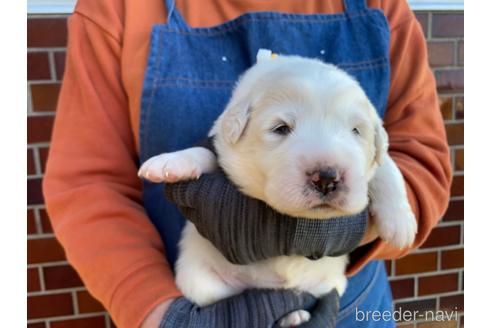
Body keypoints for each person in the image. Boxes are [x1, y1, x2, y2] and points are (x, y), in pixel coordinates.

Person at [43, 0, 452, 327]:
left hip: (345, 304)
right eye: (282, 128)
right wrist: (160, 314)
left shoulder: (383, 6)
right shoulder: (116, 7)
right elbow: (87, 185)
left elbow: (419, 155)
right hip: (193, 299)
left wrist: (349, 228)